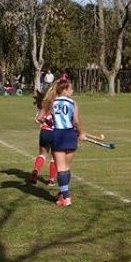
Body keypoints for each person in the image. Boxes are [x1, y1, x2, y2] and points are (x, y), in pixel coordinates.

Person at [41, 76, 86, 207]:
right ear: (65, 90)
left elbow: (43, 118)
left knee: (60, 168)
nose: (72, 91)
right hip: (70, 135)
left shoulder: (51, 102)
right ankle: (62, 193)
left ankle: (66, 197)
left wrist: (49, 121)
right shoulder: (73, 103)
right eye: (71, 88)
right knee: (66, 167)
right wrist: (81, 133)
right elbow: (76, 121)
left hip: (58, 135)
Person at [29, 90, 57, 186]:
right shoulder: (56, 104)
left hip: (45, 132)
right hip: (56, 133)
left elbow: (38, 119)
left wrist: (44, 121)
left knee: (42, 154)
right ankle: (51, 180)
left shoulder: (43, 106)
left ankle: (36, 171)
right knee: (54, 157)